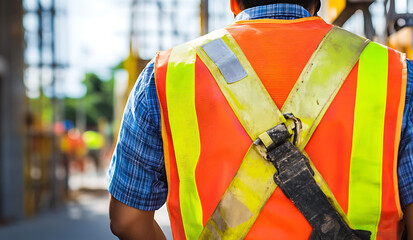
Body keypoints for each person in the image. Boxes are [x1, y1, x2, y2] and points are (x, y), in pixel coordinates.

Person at [107, 0, 413, 239]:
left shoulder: (165, 75)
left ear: (234, 3)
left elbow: (127, 220)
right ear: (315, 2)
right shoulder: (395, 75)